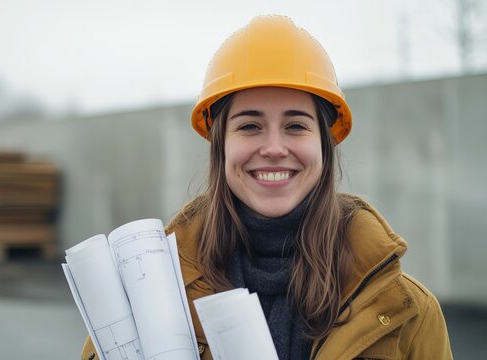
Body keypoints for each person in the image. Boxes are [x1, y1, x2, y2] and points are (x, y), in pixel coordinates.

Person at [82, 15, 453, 360]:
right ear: (220, 145)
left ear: (325, 145)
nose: (274, 148)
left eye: (295, 126)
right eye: (249, 126)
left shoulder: (405, 311)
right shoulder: (144, 294)